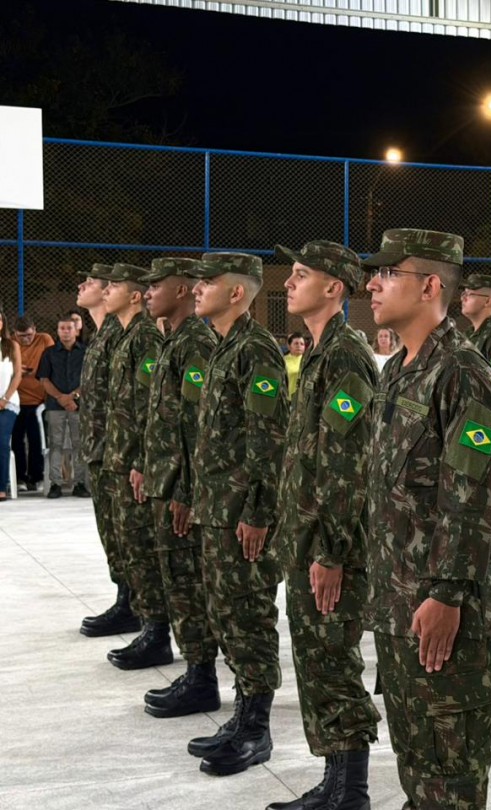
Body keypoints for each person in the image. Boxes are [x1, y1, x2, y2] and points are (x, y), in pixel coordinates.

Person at [363, 229, 491, 809]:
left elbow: (476, 496)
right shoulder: (399, 369)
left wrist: (448, 592)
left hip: (446, 608)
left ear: (428, 286)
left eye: (387, 273)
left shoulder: (464, 372)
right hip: (401, 600)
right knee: (417, 760)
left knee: (450, 770)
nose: (372, 283)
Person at [266, 240, 381, 810]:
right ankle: (337, 781)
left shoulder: (345, 356)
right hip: (308, 539)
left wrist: (332, 551)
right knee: (316, 659)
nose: (289, 282)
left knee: (332, 660)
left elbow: (348, 463)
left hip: (330, 545)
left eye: (301, 273)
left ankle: (351, 790)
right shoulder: (318, 353)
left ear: (334, 287)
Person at [187, 252, 287, 777]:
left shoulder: (258, 352)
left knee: (249, 617)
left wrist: (258, 512)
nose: (197, 288)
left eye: (209, 281)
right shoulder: (225, 349)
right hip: (215, 509)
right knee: (227, 614)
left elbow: (266, 439)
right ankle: (242, 713)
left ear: (237, 294)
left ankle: (257, 729)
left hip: (241, 516)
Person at [137, 257, 222, 718]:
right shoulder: (175, 342)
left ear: (183, 290)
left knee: (189, 584)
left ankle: (202, 677)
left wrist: (186, 491)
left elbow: (196, 426)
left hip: (183, 491)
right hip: (167, 484)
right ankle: (195, 672)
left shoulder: (196, 345)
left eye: (157, 285)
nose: (148, 292)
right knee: (178, 581)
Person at [99, 263, 172, 671]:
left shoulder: (144, 337)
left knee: (143, 549)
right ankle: (146, 622)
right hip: (119, 458)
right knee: (130, 546)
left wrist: (142, 461)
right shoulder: (127, 336)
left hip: (134, 464)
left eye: (113, 286)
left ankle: (155, 630)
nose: (105, 291)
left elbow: (150, 407)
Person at [78, 264, 139, 637]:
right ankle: (125, 598)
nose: (83, 286)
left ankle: (132, 604)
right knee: (111, 532)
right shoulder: (102, 335)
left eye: (92, 282)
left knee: (125, 534)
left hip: (117, 451)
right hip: (101, 450)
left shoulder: (122, 335)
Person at [38, 314, 88, 498]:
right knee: (56, 444)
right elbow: (44, 379)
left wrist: (73, 396)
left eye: (69, 328)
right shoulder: (49, 353)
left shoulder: (85, 352)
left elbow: (89, 379)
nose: (65, 332)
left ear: (76, 330)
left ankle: (80, 483)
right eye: (62, 328)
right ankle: (56, 484)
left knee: (79, 444)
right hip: (55, 406)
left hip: (78, 406)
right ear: (57, 331)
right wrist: (61, 397)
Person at [11, 315, 54, 492]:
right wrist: (16, 369)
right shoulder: (9, 344)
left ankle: (37, 477)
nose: (26, 339)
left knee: (37, 440)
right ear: (15, 334)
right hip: (16, 399)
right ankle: (20, 477)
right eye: (21, 336)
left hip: (39, 401)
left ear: (35, 329)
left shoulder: (44, 339)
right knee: (17, 440)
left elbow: (53, 360)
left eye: (29, 334)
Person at [0, 309, 22, 501]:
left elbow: (17, 375)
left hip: (7, 404)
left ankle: (1, 487)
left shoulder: (10, 346)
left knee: (1, 442)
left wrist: (4, 399)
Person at [284, 331, 306, 398]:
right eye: (296, 343)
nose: (299, 346)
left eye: (302, 344)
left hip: (303, 399)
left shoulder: (308, 360)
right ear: (289, 346)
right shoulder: (283, 360)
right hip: (287, 398)